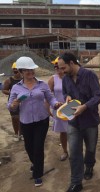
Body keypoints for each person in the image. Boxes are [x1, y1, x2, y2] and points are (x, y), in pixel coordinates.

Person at [7, 56, 61, 187]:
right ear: (21, 72)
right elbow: (10, 106)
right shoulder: (16, 88)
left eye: (32, 69)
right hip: (25, 122)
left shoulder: (42, 84)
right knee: (28, 147)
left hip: (41, 121)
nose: (30, 72)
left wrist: (56, 104)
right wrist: (14, 104)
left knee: (38, 147)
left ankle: (37, 174)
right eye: (27, 70)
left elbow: (50, 98)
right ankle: (35, 163)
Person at [57, 52, 100, 192]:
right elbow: (65, 93)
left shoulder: (90, 76)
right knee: (74, 153)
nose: (61, 71)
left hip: (90, 121)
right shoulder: (66, 79)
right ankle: (76, 182)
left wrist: (85, 106)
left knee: (90, 149)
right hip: (73, 122)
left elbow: (98, 96)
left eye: (63, 68)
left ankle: (89, 166)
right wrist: (67, 97)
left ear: (71, 63)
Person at [48, 57, 69, 161]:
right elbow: (48, 94)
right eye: (55, 67)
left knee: (74, 131)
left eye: (59, 67)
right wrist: (49, 107)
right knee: (63, 132)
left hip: (70, 108)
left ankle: (75, 151)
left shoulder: (70, 77)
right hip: (59, 108)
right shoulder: (53, 79)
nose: (57, 69)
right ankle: (65, 151)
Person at [2, 62, 23, 141]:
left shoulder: (24, 79)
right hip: (13, 101)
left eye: (17, 71)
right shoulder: (9, 80)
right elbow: (4, 90)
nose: (16, 73)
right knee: (15, 118)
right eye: (14, 71)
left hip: (23, 101)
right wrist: (12, 92)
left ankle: (21, 134)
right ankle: (16, 134)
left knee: (22, 118)